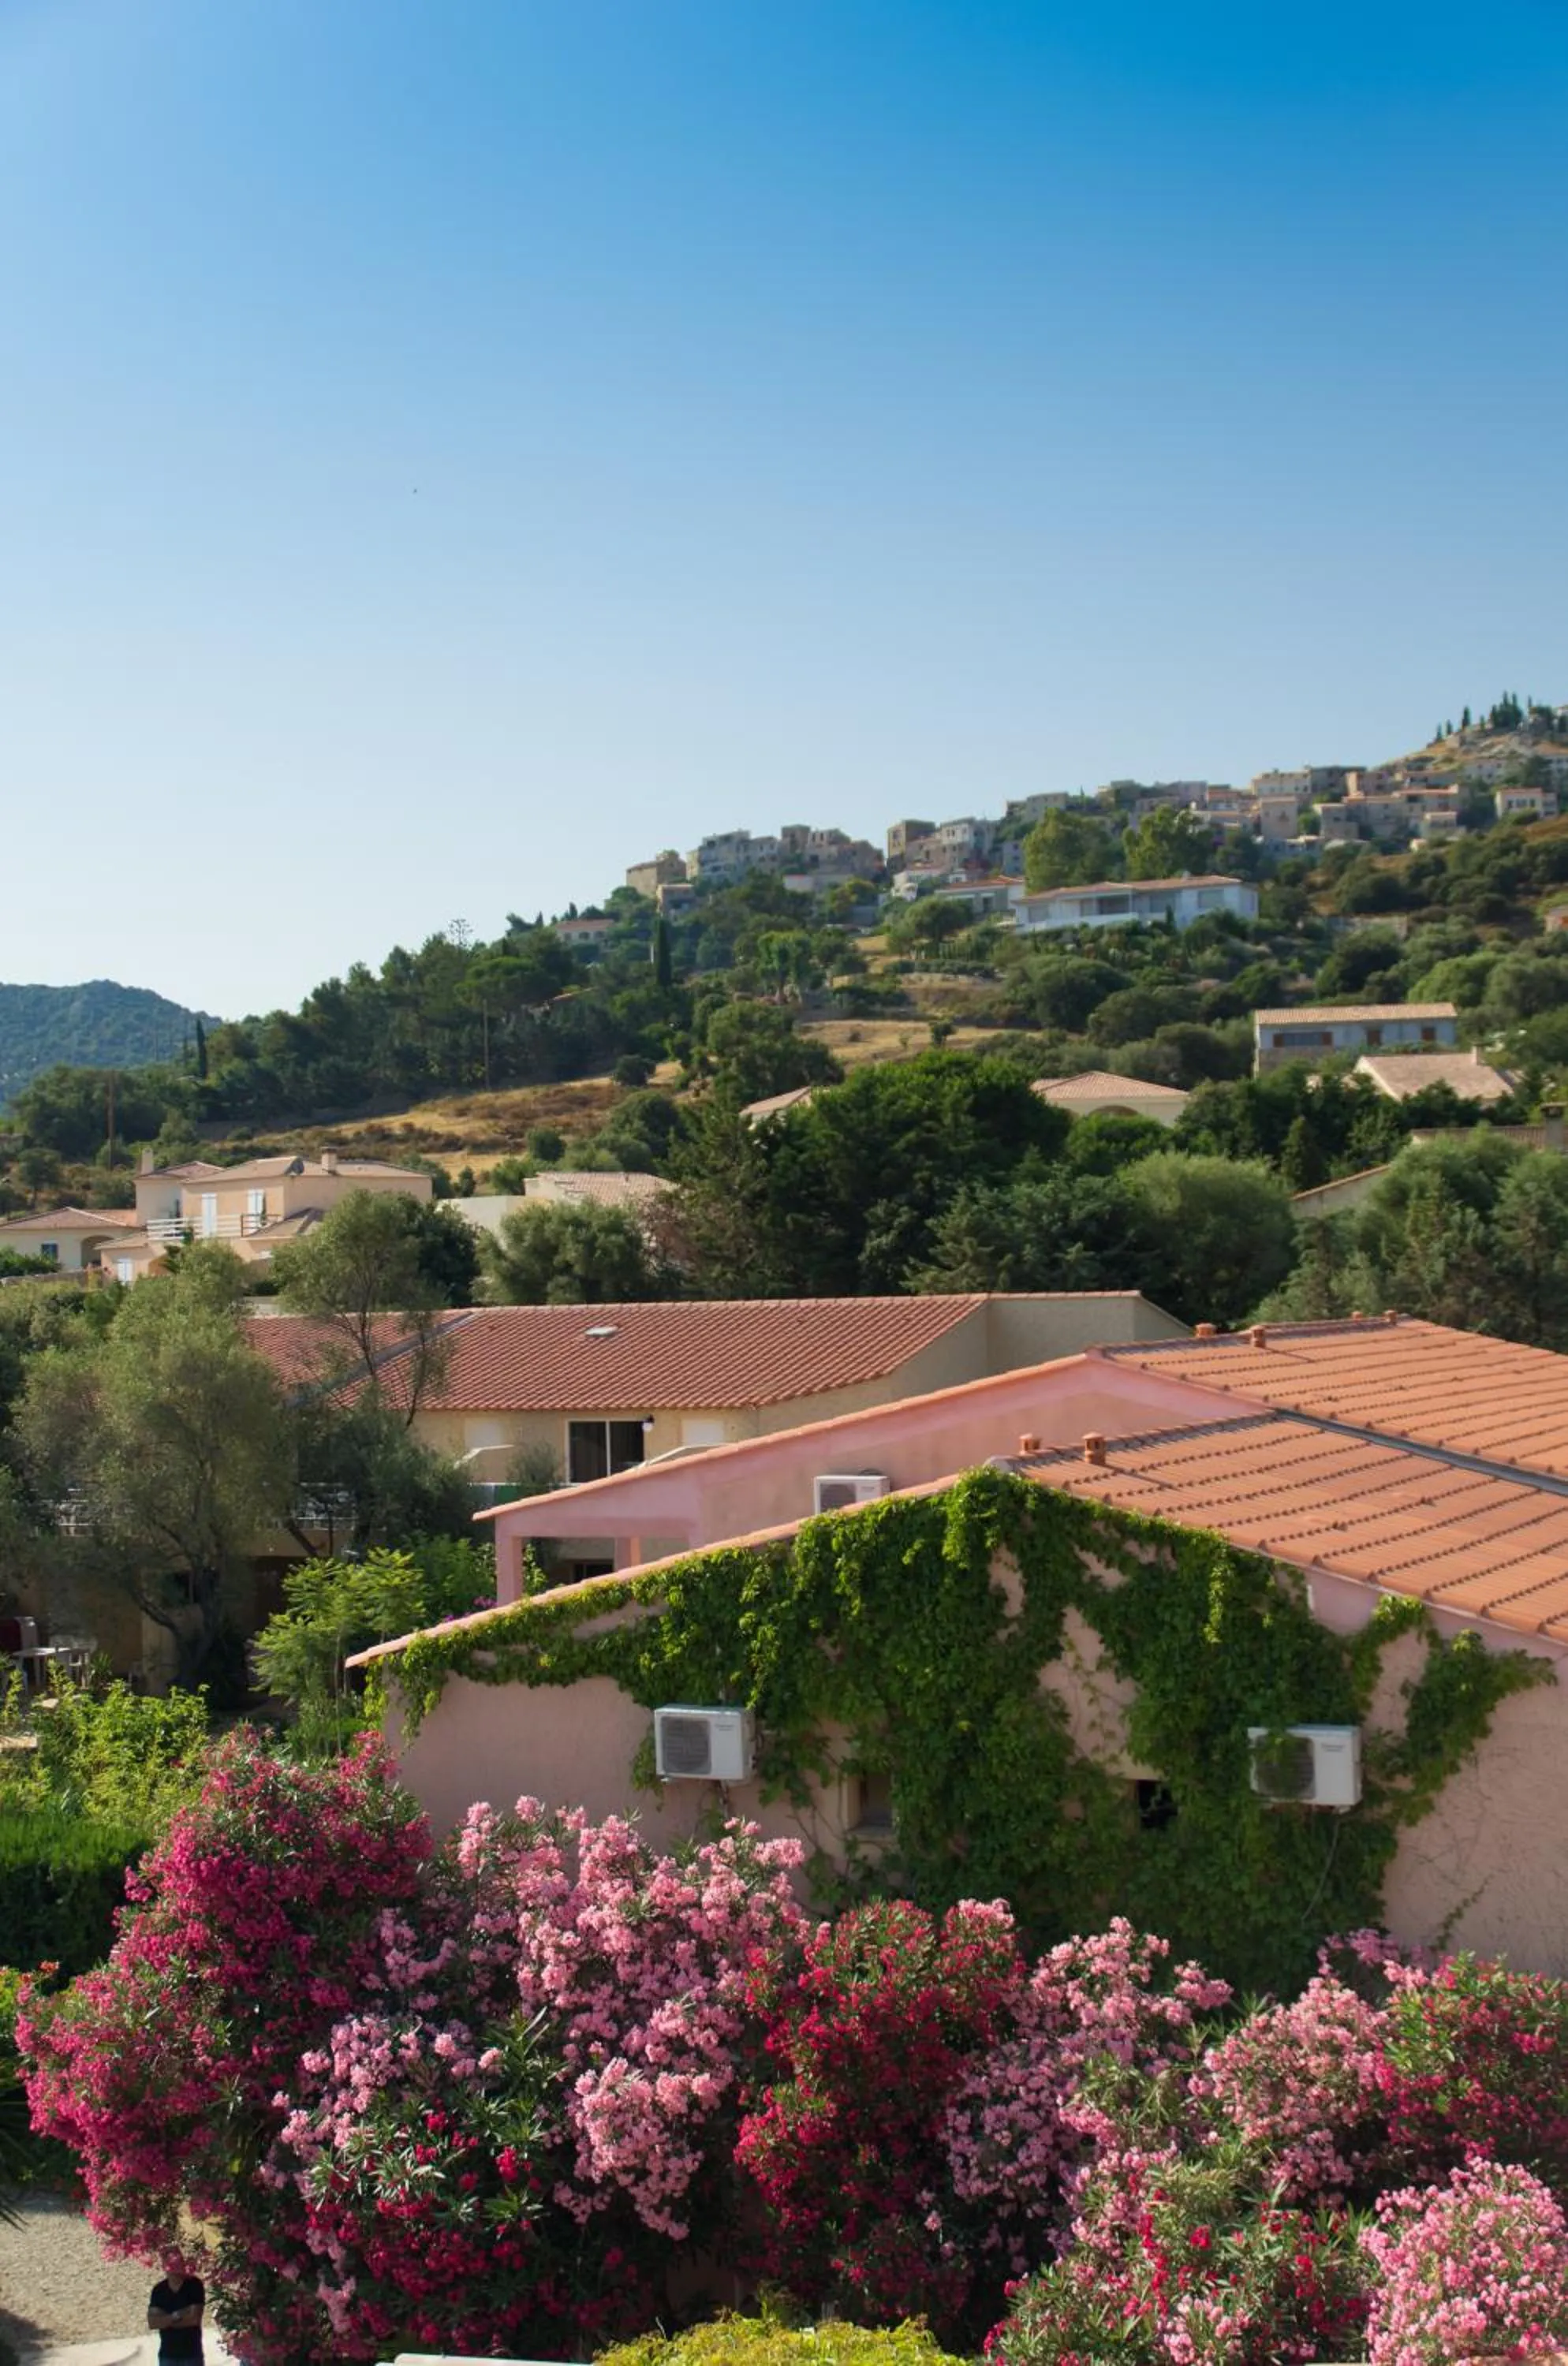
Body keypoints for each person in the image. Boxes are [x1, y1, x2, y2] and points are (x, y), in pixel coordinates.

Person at [147, 2250, 205, 2362]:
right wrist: (177, 2315)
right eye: (169, 2262)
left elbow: (194, 2319)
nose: (174, 2266)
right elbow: (153, 2323)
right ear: (164, 2265)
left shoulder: (194, 2285)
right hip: (167, 2355)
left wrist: (165, 2321)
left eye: (177, 2261)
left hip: (191, 2354)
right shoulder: (159, 2290)